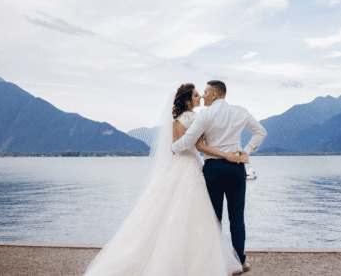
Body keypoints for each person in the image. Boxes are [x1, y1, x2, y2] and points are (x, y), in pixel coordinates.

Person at [83, 83, 246, 276]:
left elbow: (174, 146)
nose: (199, 98)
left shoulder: (176, 120)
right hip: (191, 167)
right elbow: (200, 146)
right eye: (195, 95)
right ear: (187, 100)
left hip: (177, 166)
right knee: (194, 214)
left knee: (167, 211)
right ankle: (195, 259)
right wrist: (227, 155)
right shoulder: (195, 117)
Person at [171, 80, 267, 273]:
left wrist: (173, 147)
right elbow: (260, 132)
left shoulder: (205, 114)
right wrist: (245, 151)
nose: (203, 96)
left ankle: (216, 262)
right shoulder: (240, 111)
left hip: (213, 169)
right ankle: (240, 261)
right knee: (237, 218)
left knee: (214, 218)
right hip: (236, 169)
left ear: (214, 95)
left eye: (205, 92)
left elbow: (190, 140)